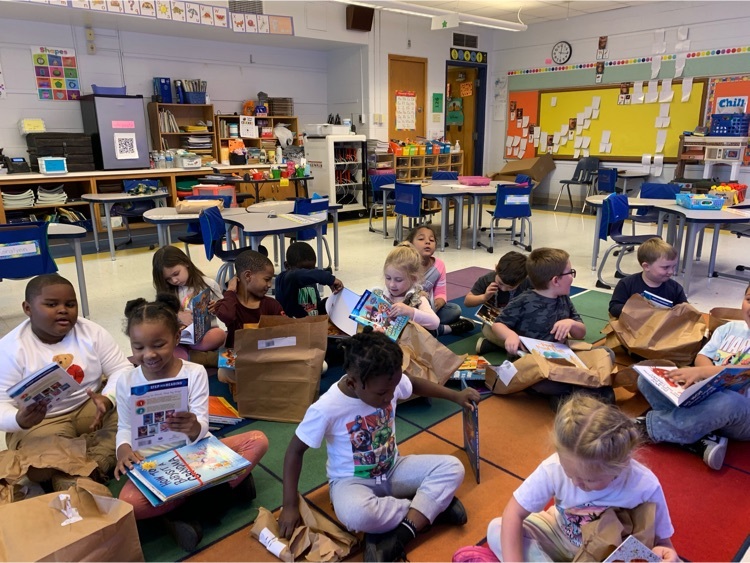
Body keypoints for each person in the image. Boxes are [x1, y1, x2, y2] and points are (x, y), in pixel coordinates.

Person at [278, 330, 480, 562]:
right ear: (354, 383)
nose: (391, 396)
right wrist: (290, 504)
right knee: (357, 515)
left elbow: (413, 384)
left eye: (393, 388)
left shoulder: (386, 379)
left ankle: (405, 529)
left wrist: (455, 396)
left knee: (453, 467)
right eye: (383, 393)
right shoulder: (327, 408)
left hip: (393, 469)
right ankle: (430, 509)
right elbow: (295, 451)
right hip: (351, 482)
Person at [114, 294, 269, 550]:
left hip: (197, 455)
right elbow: (125, 427)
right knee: (128, 504)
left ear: (177, 338)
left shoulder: (193, 373)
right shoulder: (126, 380)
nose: (149, 354)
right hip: (155, 463)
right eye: (138, 347)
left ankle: (175, 512)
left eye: (159, 344)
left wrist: (194, 427)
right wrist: (123, 449)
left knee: (258, 441)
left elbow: (202, 426)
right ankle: (222, 492)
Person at [478, 395, 678, 562]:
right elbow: (514, 512)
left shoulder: (645, 486)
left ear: (622, 463)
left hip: (606, 554)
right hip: (557, 533)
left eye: (589, 480)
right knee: (497, 528)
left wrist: (666, 555)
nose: (576, 483)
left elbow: (662, 543)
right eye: (570, 473)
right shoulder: (554, 467)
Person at [0, 274, 132, 490]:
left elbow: (121, 369)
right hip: (41, 423)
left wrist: (108, 399)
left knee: (136, 411)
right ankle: (91, 462)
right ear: (27, 308)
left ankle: (75, 470)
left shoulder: (92, 332)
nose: (63, 310)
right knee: (37, 463)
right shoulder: (9, 349)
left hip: (90, 407)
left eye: (70, 304)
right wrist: (19, 420)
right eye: (51, 304)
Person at [635, 282, 750, 470]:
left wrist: (702, 373)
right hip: (706, 402)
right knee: (646, 380)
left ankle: (645, 428)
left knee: (728, 401)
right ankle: (700, 438)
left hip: (742, 414)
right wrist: (702, 378)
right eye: (749, 300)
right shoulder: (728, 329)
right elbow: (702, 357)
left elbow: (744, 371)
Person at [491, 248, 615, 406]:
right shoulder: (524, 301)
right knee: (542, 381)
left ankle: (570, 393)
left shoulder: (564, 299)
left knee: (607, 353)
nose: (572, 277)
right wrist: (510, 335)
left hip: (562, 357)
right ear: (556, 280)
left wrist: (570, 323)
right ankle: (582, 390)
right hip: (534, 362)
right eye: (570, 272)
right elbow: (498, 324)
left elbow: (581, 333)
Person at [151, 246, 226, 362]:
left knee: (219, 335)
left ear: (186, 263)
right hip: (179, 338)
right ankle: (196, 356)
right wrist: (178, 315)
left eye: (176, 274)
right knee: (162, 343)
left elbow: (224, 309)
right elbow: (160, 315)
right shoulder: (169, 290)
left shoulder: (208, 284)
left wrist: (216, 308)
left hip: (205, 335)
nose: (174, 280)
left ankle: (190, 355)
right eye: (168, 279)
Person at [406, 225, 475, 336]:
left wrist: (439, 302)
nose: (427, 242)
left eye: (431, 240)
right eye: (421, 239)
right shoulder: (405, 263)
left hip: (429, 309)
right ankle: (441, 329)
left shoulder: (439, 265)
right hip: (407, 307)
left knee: (455, 310)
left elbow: (441, 292)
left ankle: (424, 328)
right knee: (422, 300)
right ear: (410, 244)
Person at [211, 249, 284, 348]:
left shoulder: (272, 305)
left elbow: (284, 333)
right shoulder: (228, 303)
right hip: (235, 358)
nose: (270, 285)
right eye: (267, 279)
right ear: (248, 276)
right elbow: (227, 316)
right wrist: (230, 291)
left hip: (265, 355)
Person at [465, 251, 532, 355]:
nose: (504, 289)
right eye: (500, 283)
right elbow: (468, 302)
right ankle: (520, 350)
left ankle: (494, 345)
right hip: (494, 325)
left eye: (510, 287)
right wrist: (484, 297)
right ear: (496, 268)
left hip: (518, 323)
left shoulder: (527, 282)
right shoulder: (486, 280)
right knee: (492, 330)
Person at [608, 238, 687, 318]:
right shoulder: (627, 284)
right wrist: (636, 310)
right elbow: (614, 308)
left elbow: (685, 312)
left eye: (673, 267)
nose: (671, 272)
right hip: (632, 327)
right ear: (646, 266)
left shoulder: (675, 288)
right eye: (665, 267)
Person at [377, 242, 440, 332]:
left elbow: (435, 323)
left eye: (398, 280)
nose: (391, 284)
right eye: (388, 278)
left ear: (413, 279)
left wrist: (410, 311)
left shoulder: (418, 298)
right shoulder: (382, 294)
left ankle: (444, 329)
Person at [274, 241, 344, 318]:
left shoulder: (310, 280)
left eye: (311, 269)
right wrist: (329, 279)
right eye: (304, 269)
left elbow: (315, 307)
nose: (309, 272)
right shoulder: (284, 279)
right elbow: (297, 275)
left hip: (312, 325)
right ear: (287, 266)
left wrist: (328, 302)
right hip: (292, 326)